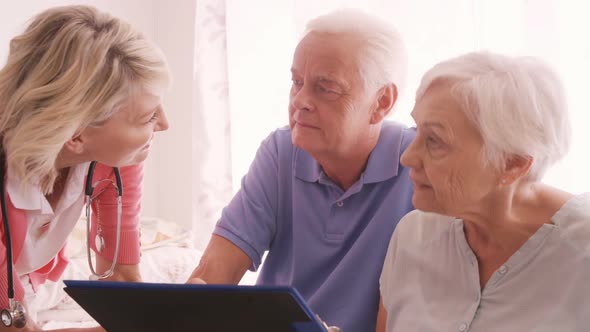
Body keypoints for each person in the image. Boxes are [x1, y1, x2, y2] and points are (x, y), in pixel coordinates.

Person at [188, 9, 414, 332]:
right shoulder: (281, 152)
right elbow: (213, 273)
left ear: (382, 102)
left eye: (326, 88)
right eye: (297, 82)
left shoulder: (421, 167)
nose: (300, 101)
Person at [377, 51, 590, 331]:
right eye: (417, 131)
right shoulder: (412, 235)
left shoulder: (581, 255)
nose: (407, 158)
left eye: (435, 141)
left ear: (512, 164)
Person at [0, 5, 170, 331]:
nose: (165, 124)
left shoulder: (118, 159)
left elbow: (121, 279)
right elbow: (11, 323)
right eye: (148, 116)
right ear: (75, 135)